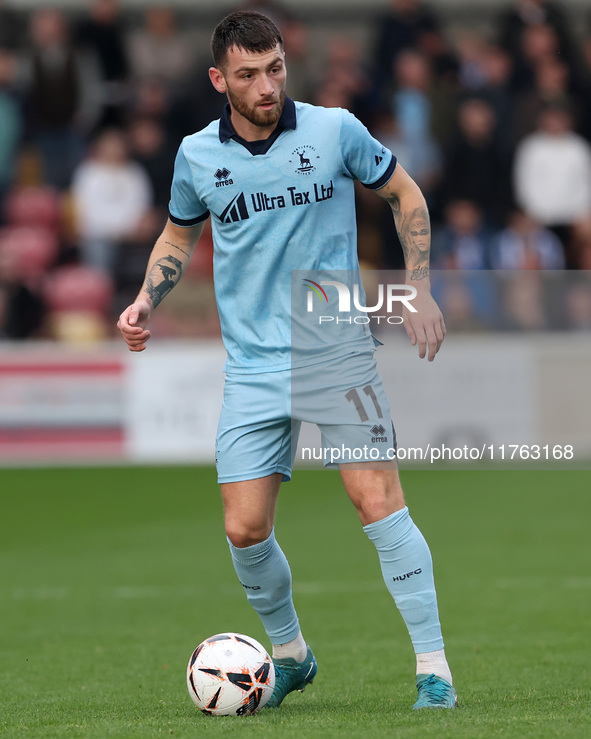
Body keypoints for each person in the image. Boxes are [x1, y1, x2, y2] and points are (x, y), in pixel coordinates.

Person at [117, 10, 456, 711]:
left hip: (335, 350)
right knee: (243, 527)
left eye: (274, 68)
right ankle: (292, 655)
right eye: (248, 74)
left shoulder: (334, 130)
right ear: (220, 79)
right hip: (252, 366)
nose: (266, 85)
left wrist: (416, 284)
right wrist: (147, 299)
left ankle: (434, 669)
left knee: (376, 500)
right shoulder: (194, 156)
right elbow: (177, 236)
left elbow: (403, 192)